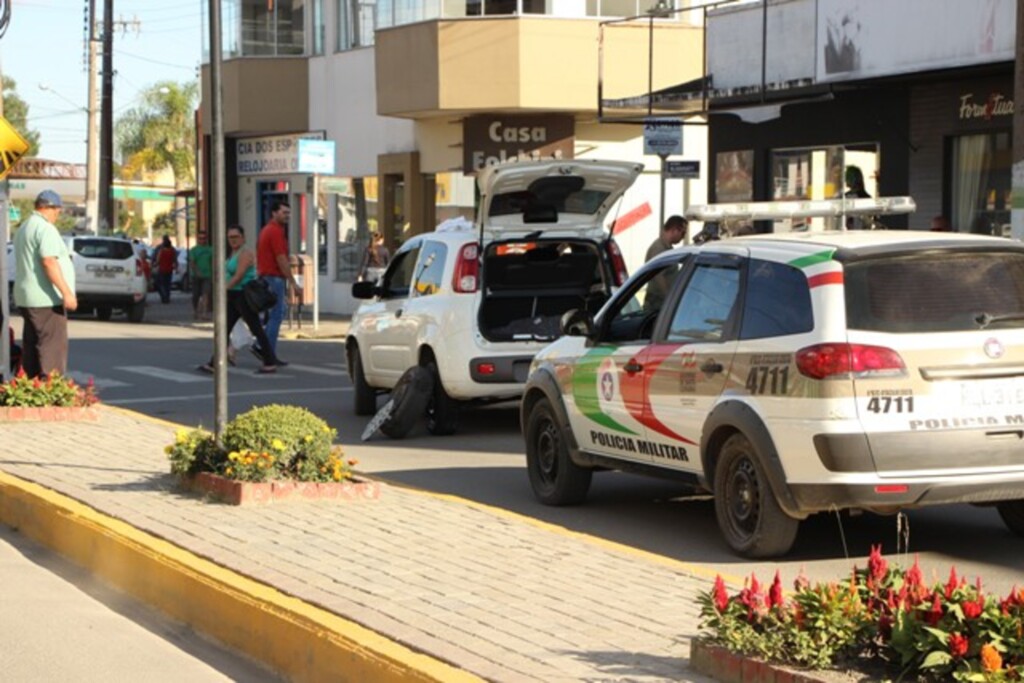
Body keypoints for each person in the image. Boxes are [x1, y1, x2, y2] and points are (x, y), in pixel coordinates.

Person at [198, 225, 281, 375]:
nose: (233, 240)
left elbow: (239, 275)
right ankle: (213, 363)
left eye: (236, 237)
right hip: (233, 296)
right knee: (224, 330)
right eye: (230, 237)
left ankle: (269, 362)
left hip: (242, 295)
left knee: (256, 329)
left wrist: (223, 290)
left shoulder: (245, 253)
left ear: (243, 238)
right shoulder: (234, 252)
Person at [12, 190, 77, 379]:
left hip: (27, 297)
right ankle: (50, 388)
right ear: (51, 208)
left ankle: (32, 387)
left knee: (32, 345)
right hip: (46, 298)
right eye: (58, 210)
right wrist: (66, 293)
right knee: (52, 347)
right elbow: (48, 261)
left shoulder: (25, 227)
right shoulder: (45, 228)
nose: (58, 215)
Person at [255, 200, 302, 364]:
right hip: (274, 277)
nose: (287, 216)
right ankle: (266, 350)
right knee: (277, 314)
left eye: (288, 213)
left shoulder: (267, 230)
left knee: (274, 314)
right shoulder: (274, 231)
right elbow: (281, 259)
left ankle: (265, 348)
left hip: (267, 276)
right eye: (284, 212)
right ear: (274, 213)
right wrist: (293, 282)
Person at [644, 215, 688, 312]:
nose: (683, 237)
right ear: (674, 230)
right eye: (683, 233)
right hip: (657, 304)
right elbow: (659, 277)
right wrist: (670, 298)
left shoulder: (667, 248)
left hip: (662, 302)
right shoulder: (658, 249)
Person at [189, 236, 213, 320]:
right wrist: (197, 271)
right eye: (201, 238)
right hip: (196, 276)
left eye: (204, 238)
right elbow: (192, 262)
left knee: (205, 294)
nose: (202, 240)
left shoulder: (210, 249)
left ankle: (204, 313)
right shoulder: (194, 250)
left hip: (208, 275)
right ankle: (195, 310)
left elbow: (213, 261)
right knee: (196, 295)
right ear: (198, 239)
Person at [154, 235, 178, 304]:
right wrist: (176, 268)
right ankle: (167, 297)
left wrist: (154, 265)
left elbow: (158, 260)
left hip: (162, 270)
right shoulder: (172, 251)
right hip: (169, 270)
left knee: (161, 284)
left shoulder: (161, 251)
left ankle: (164, 296)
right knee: (168, 284)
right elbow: (175, 260)